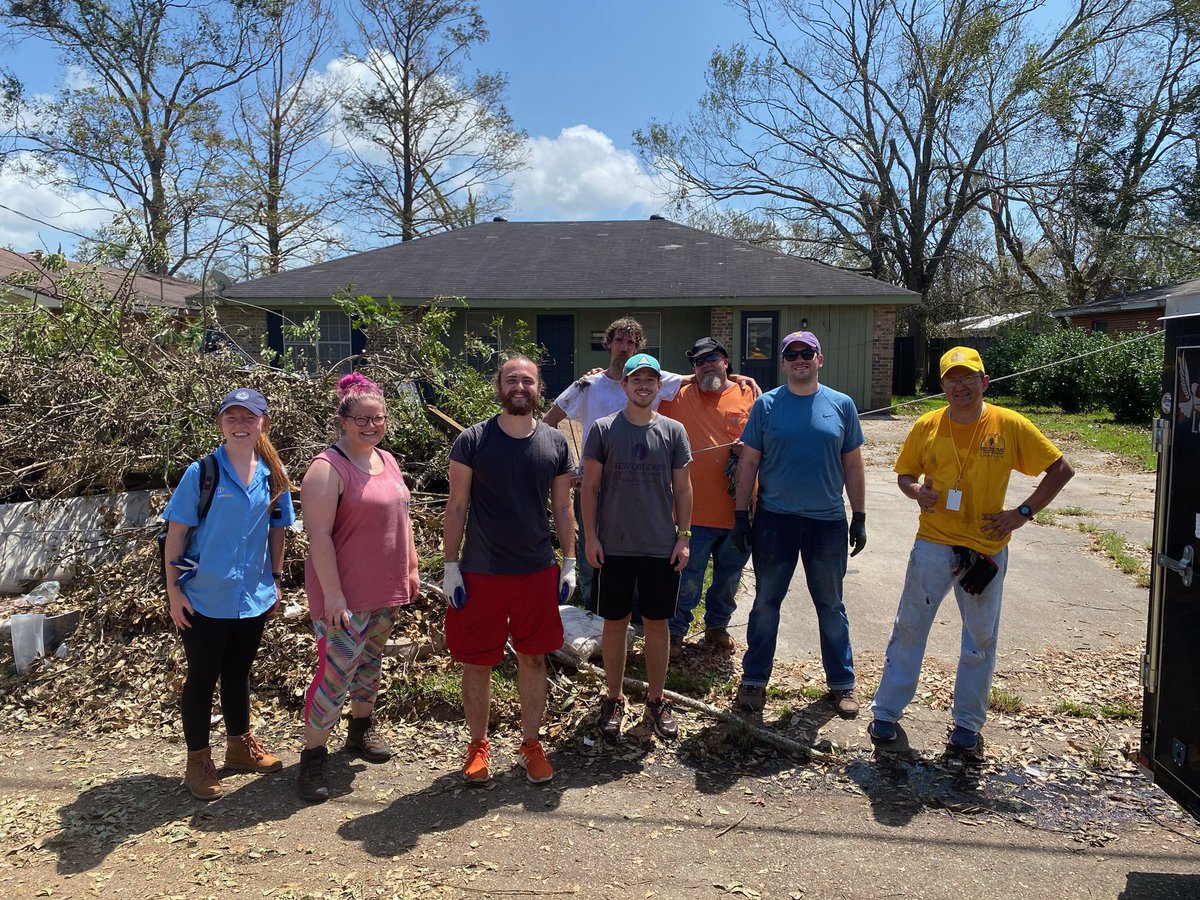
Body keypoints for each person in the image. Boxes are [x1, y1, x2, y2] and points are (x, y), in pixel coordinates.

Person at [868, 347, 1074, 751]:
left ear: (985, 381)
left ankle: (967, 724)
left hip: (985, 549)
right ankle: (886, 713)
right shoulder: (927, 425)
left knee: (980, 638)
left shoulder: (1009, 424)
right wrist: (914, 491)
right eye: (951, 379)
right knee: (909, 628)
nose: (959, 386)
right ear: (941, 385)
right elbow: (905, 473)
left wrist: (1022, 513)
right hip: (934, 543)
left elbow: (1061, 469)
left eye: (968, 377)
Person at [443, 355, 576, 784]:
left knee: (534, 659)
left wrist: (570, 561)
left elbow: (563, 506)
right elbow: (457, 505)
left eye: (528, 380)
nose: (520, 386)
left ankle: (530, 745)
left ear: (540, 389)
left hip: (536, 570)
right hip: (481, 571)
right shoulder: (473, 440)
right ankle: (478, 746)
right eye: (511, 380)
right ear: (499, 386)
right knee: (477, 663)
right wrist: (450, 566)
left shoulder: (556, 442)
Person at [163, 387, 296, 801]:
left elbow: (278, 531)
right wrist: (173, 593)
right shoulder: (202, 473)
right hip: (203, 597)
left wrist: (274, 581)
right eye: (231, 419)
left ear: (263, 424)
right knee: (202, 678)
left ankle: (239, 747)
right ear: (221, 424)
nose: (240, 426)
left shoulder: (273, 475)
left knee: (238, 674)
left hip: (252, 596)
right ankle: (198, 761)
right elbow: (177, 533)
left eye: (248, 418)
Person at [731, 331, 867, 719]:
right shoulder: (767, 406)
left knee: (831, 605)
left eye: (807, 353)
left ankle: (841, 684)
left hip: (827, 523)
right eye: (792, 355)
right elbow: (749, 463)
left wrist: (859, 515)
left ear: (819, 359)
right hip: (776, 522)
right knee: (765, 605)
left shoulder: (841, 405)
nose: (800, 360)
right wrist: (742, 515)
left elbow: (853, 465)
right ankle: (754, 679)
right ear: (784, 363)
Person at [298, 373, 420, 802]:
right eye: (362, 419)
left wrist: (411, 568)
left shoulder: (387, 461)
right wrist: (332, 595)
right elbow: (318, 537)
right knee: (335, 676)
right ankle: (313, 754)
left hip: (385, 589)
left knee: (371, 665)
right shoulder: (326, 468)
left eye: (379, 418)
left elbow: (401, 518)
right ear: (343, 419)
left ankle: (360, 731)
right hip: (343, 596)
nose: (372, 425)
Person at [581, 352, 693, 743]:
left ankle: (657, 699)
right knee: (614, 624)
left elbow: (683, 488)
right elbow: (590, 487)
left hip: (660, 546)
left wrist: (684, 536)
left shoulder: (675, 431)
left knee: (656, 624)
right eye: (636, 380)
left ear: (658, 386)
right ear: (624, 385)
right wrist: (591, 537)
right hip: (614, 546)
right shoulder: (603, 429)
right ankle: (613, 697)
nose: (643, 386)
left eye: (650, 380)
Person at [659, 337, 755, 660]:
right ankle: (675, 632)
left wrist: (750, 448)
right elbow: (635, 389)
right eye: (699, 362)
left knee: (729, 577)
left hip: (738, 512)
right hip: (692, 513)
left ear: (726, 361)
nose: (706, 365)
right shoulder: (677, 396)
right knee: (687, 578)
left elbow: (770, 437)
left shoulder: (749, 394)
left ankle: (717, 626)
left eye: (713, 358)